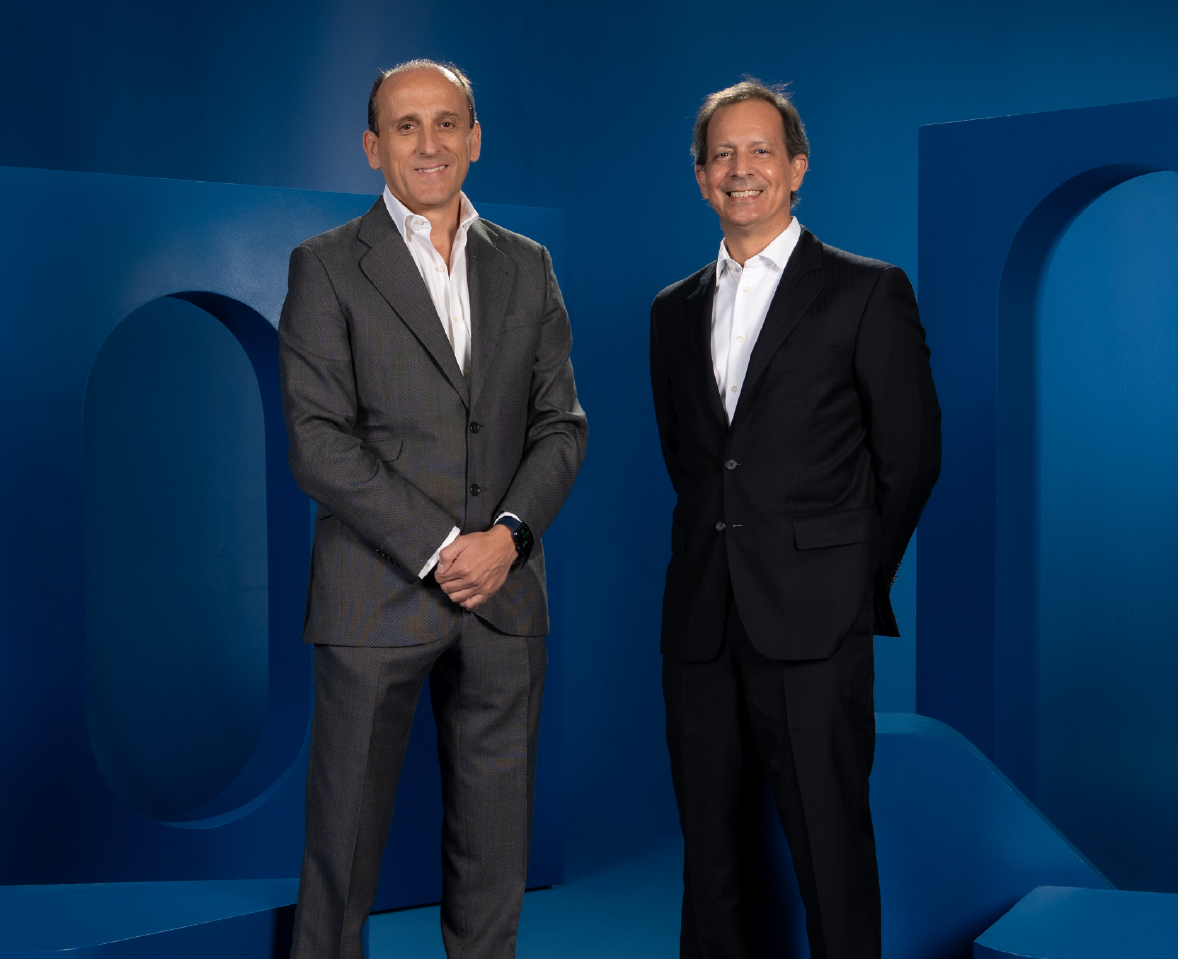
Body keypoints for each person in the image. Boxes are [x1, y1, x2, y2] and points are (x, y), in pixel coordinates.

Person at [278, 59, 587, 959]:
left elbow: (561, 426)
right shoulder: (326, 265)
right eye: (405, 126)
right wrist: (450, 545)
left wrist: (508, 539)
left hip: (504, 598)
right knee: (341, 854)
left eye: (447, 122)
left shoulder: (528, 264)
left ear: (474, 139)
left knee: (495, 856)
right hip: (373, 596)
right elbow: (318, 440)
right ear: (373, 146)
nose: (429, 143)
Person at [649, 79, 941, 959]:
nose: (741, 169)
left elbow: (911, 457)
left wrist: (848, 581)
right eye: (722, 155)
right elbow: (693, 462)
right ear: (701, 177)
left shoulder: (866, 291)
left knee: (829, 847)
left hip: (816, 622)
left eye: (761, 150)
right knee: (710, 856)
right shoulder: (671, 310)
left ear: (798, 167)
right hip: (701, 621)